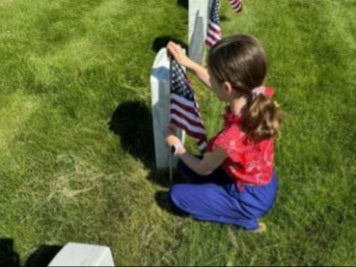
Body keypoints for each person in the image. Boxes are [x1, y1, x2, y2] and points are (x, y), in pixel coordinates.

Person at [165, 35, 283, 232]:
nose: (210, 80)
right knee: (185, 168)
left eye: (212, 77)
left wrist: (177, 146)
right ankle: (223, 191)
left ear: (228, 87)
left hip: (248, 198)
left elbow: (203, 168)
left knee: (176, 195)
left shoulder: (230, 139)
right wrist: (188, 64)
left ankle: (243, 219)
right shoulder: (254, 96)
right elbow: (219, 86)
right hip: (259, 181)